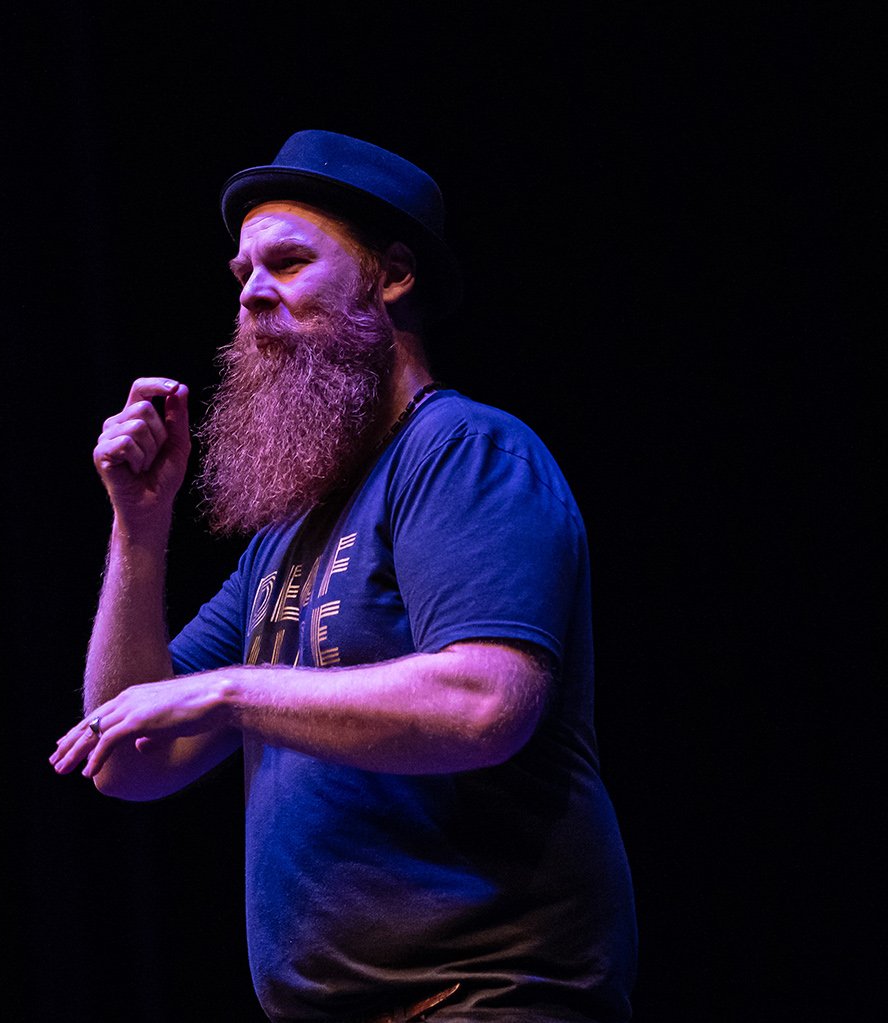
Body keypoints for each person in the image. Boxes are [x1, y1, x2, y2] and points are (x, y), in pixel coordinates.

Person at [48, 130, 637, 1021]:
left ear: (392, 275)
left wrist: (231, 693)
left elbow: (485, 703)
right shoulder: (289, 534)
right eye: (242, 271)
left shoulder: (462, 452)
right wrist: (140, 526)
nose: (251, 292)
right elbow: (128, 755)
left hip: (489, 997)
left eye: (287, 262)